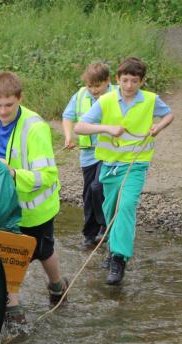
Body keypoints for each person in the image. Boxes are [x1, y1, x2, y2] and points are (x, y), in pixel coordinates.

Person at [0, 71, 67, 322]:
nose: (2, 111)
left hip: (36, 208)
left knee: (43, 250)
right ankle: (13, 306)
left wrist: (13, 173)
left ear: (20, 99)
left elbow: (46, 176)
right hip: (2, 205)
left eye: (8, 105)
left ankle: (57, 285)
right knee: (7, 252)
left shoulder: (36, 128)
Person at [75, 56, 174, 285]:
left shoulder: (151, 100)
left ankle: (119, 259)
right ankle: (112, 248)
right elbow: (81, 126)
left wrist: (158, 126)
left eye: (134, 81)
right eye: (125, 80)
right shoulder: (106, 100)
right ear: (118, 79)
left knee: (126, 206)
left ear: (142, 81)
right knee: (111, 211)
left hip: (136, 165)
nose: (129, 86)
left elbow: (169, 114)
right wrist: (107, 128)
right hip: (109, 166)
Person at [62, 63, 114, 248]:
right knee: (88, 194)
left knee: (97, 187)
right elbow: (67, 116)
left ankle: (104, 226)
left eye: (98, 86)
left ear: (108, 81)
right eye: (90, 86)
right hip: (87, 154)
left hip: (110, 152)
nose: (93, 90)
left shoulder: (118, 95)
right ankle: (89, 234)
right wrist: (68, 137)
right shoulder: (80, 95)